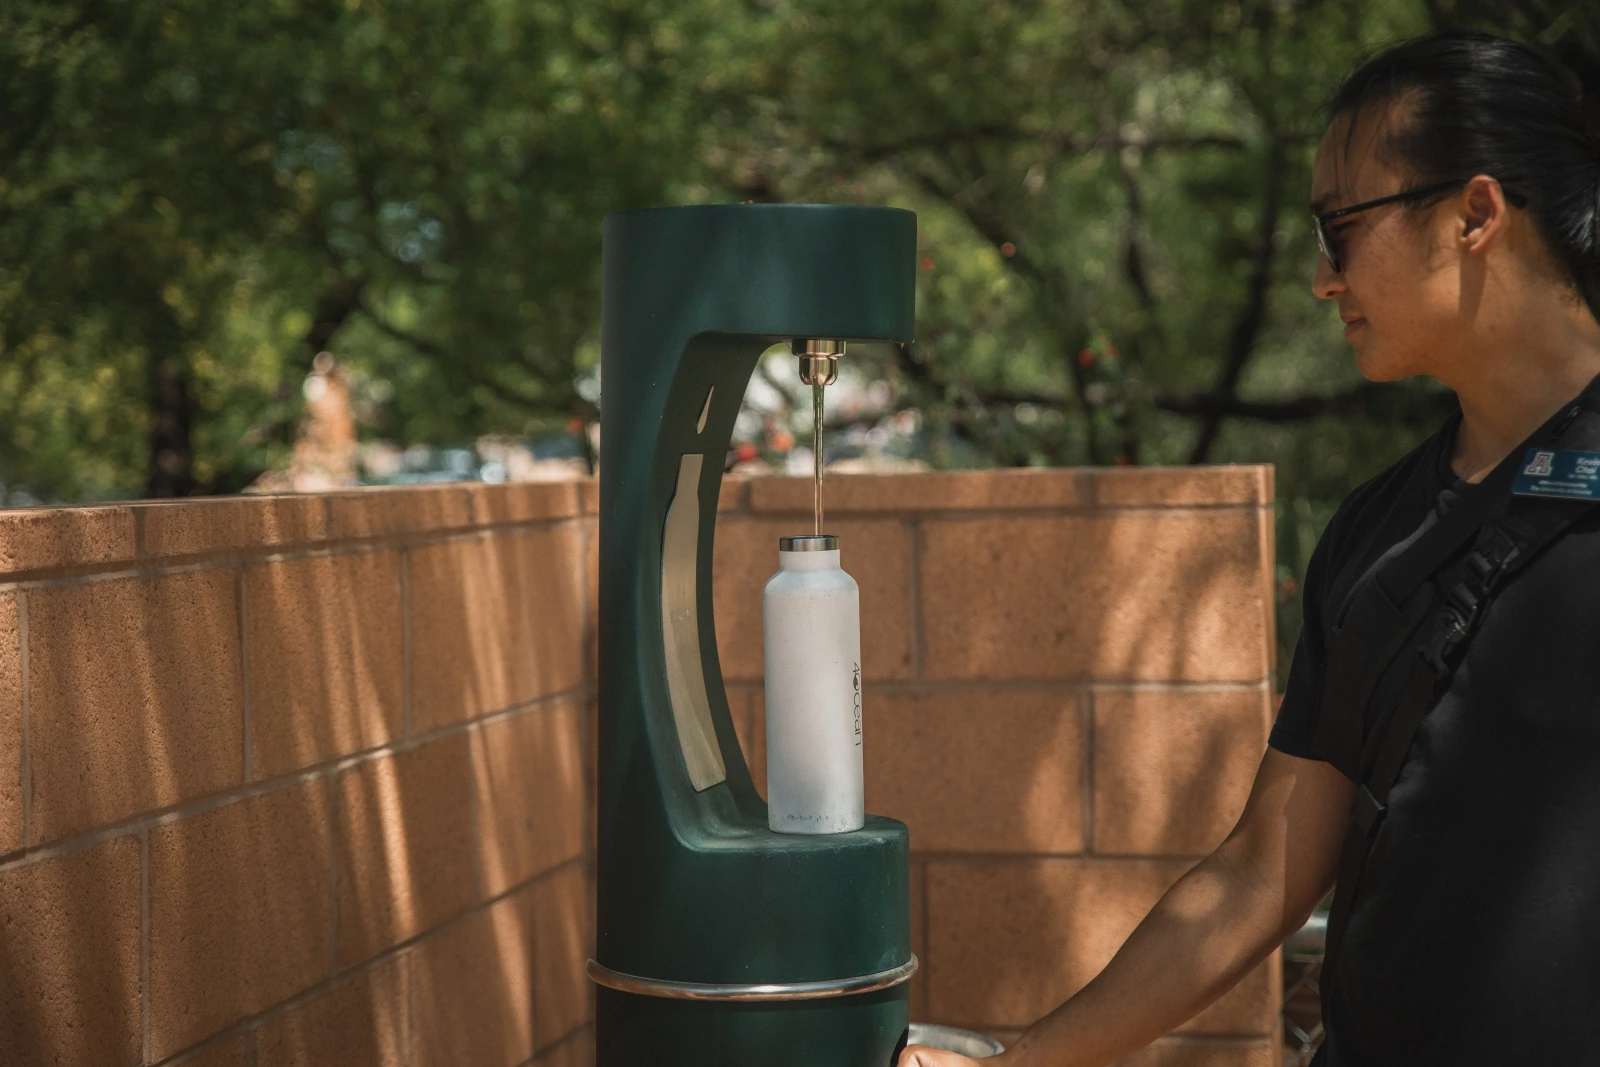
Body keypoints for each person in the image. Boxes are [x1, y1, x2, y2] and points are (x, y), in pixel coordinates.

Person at [900, 30, 1600, 1067]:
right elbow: (1263, 867)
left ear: (1474, 215)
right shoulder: (1374, 531)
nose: (1323, 278)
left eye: (1339, 228)